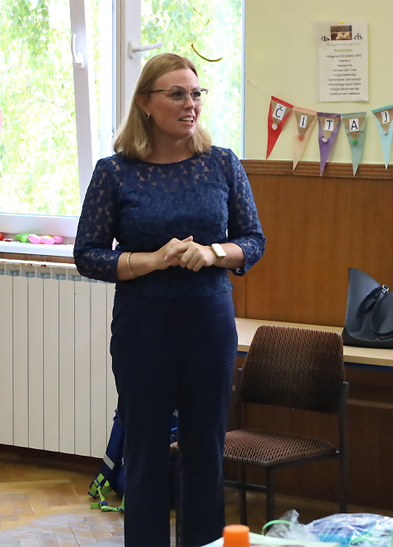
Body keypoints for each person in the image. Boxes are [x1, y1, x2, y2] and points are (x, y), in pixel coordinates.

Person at [74, 53, 266, 547]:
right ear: (145, 103)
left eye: (196, 94)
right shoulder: (114, 172)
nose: (190, 104)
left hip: (209, 322)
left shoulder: (222, 162)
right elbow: (88, 254)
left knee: (205, 450)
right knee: (144, 450)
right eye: (177, 94)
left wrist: (213, 252)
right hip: (144, 325)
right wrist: (152, 260)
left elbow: (253, 241)